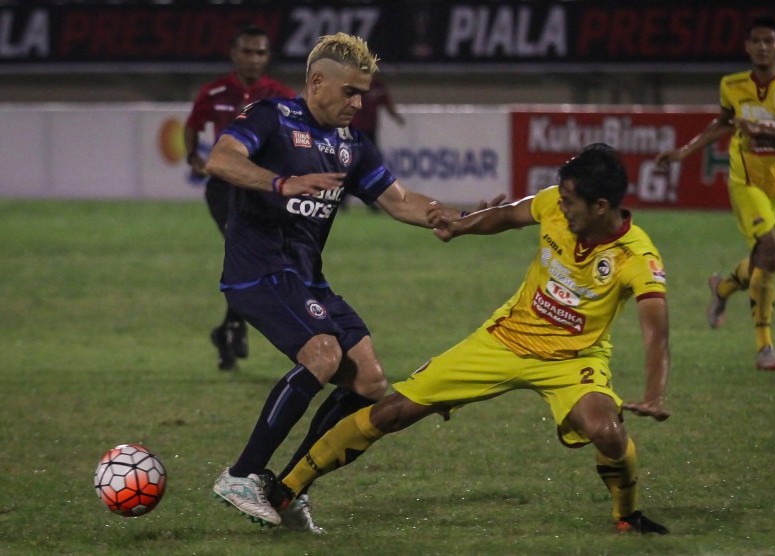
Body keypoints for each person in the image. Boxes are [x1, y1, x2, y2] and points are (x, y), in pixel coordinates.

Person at [265, 143, 672, 535]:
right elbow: (508, 215)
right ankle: (288, 487)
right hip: (504, 339)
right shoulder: (553, 204)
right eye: (561, 198)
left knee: (607, 432)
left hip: (573, 359)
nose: (560, 206)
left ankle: (627, 515)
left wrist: (654, 393)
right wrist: (459, 227)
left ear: (601, 206)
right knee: (393, 412)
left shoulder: (637, 257)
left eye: (570, 202)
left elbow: (656, 332)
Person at [203, 33, 500, 532]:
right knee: (322, 354)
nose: (359, 103)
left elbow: (400, 199)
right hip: (258, 271)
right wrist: (280, 182)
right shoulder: (271, 118)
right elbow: (221, 159)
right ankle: (241, 474)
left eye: (364, 92)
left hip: (307, 280)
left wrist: (457, 217)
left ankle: (286, 489)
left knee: (369, 379)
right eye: (350, 92)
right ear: (317, 82)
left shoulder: (351, 145)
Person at [655, 15, 775, 371]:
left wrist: (763, 131)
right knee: (771, 253)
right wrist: (683, 152)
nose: (762, 47)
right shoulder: (732, 85)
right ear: (747, 46)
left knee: (765, 258)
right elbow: (723, 123)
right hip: (746, 182)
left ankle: (723, 289)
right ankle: (764, 347)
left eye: (768, 41)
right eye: (755, 41)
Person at [184, 26, 296, 371]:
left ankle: (229, 330)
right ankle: (233, 328)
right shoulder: (215, 91)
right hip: (224, 187)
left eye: (260, 52)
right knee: (247, 253)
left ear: (267, 57)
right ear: (234, 54)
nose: (254, 58)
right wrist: (193, 156)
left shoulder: (279, 94)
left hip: (259, 187)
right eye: (247, 51)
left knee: (255, 258)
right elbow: (193, 124)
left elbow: (297, 134)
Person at [346, 76, 406, 212]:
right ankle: (344, 201)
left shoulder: (377, 86)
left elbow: (387, 103)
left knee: (368, 167)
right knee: (352, 166)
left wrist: (397, 117)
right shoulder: (355, 84)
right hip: (356, 132)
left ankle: (372, 202)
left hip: (370, 132)